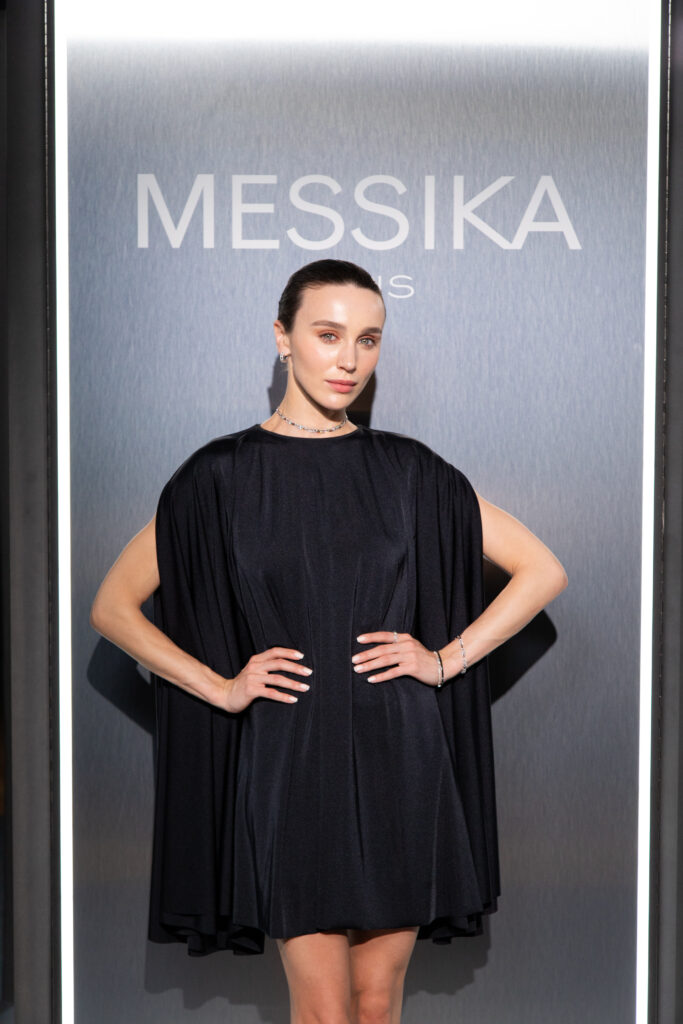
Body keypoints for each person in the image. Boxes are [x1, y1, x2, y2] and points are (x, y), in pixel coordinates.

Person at [90, 258, 567, 1024]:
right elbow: (113, 607)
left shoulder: (408, 472)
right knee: (322, 1012)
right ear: (282, 337)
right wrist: (221, 687)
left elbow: (542, 570)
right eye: (327, 334)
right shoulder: (221, 476)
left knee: (376, 1005)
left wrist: (442, 661)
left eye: (368, 339)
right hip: (290, 760)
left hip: (400, 754)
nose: (349, 359)